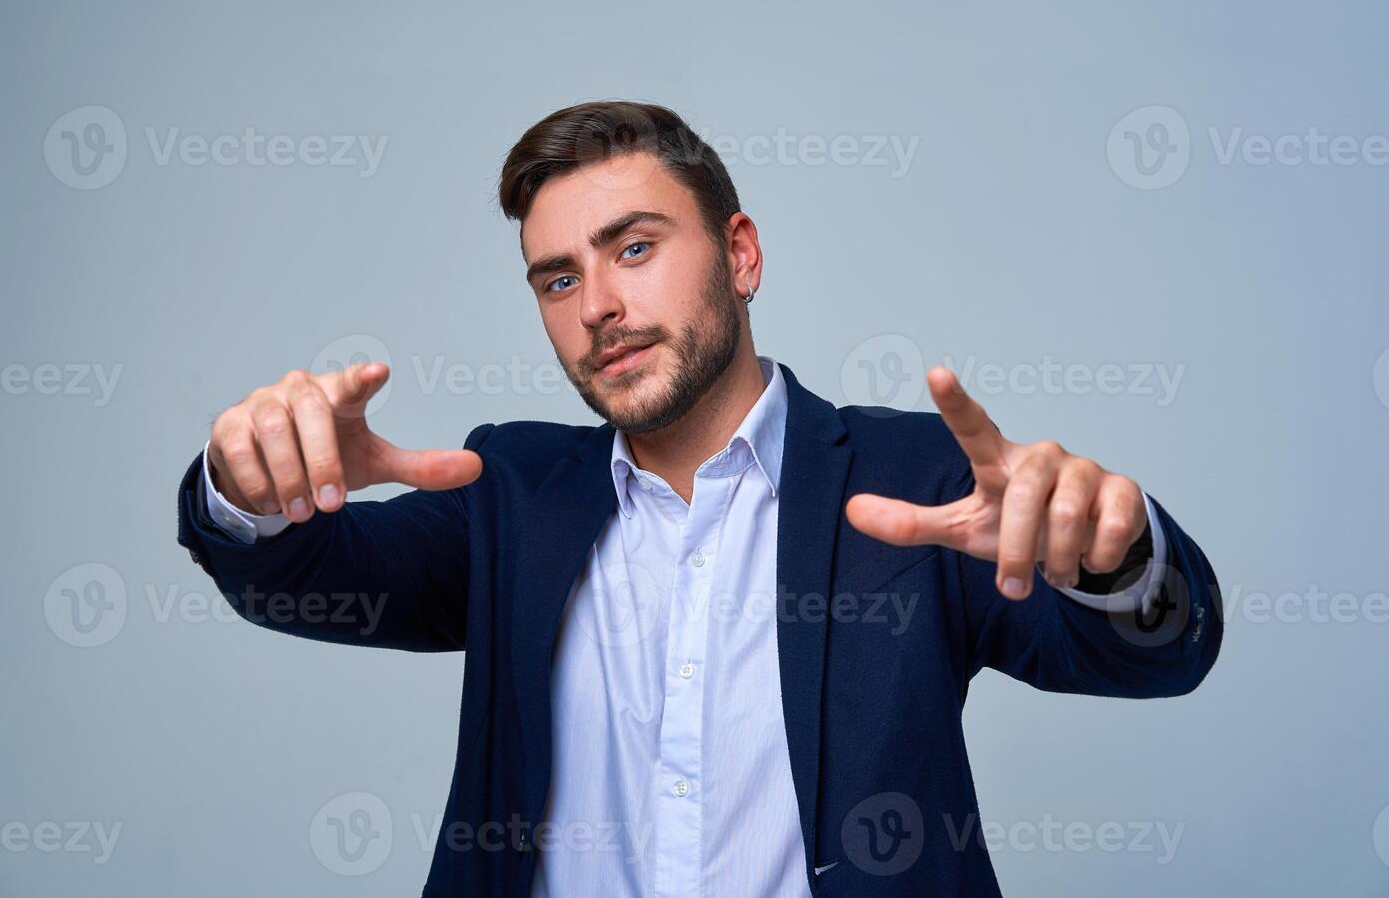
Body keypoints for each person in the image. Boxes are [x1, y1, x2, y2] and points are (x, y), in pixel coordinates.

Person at [176, 100, 1222, 897]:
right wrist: (246, 483)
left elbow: (1158, 648)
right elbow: (295, 576)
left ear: (740, 253)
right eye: (557, 278)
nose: (600, 307)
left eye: (635, 247)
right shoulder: (511, 493)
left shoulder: (921, 482)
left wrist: (1115, 560)